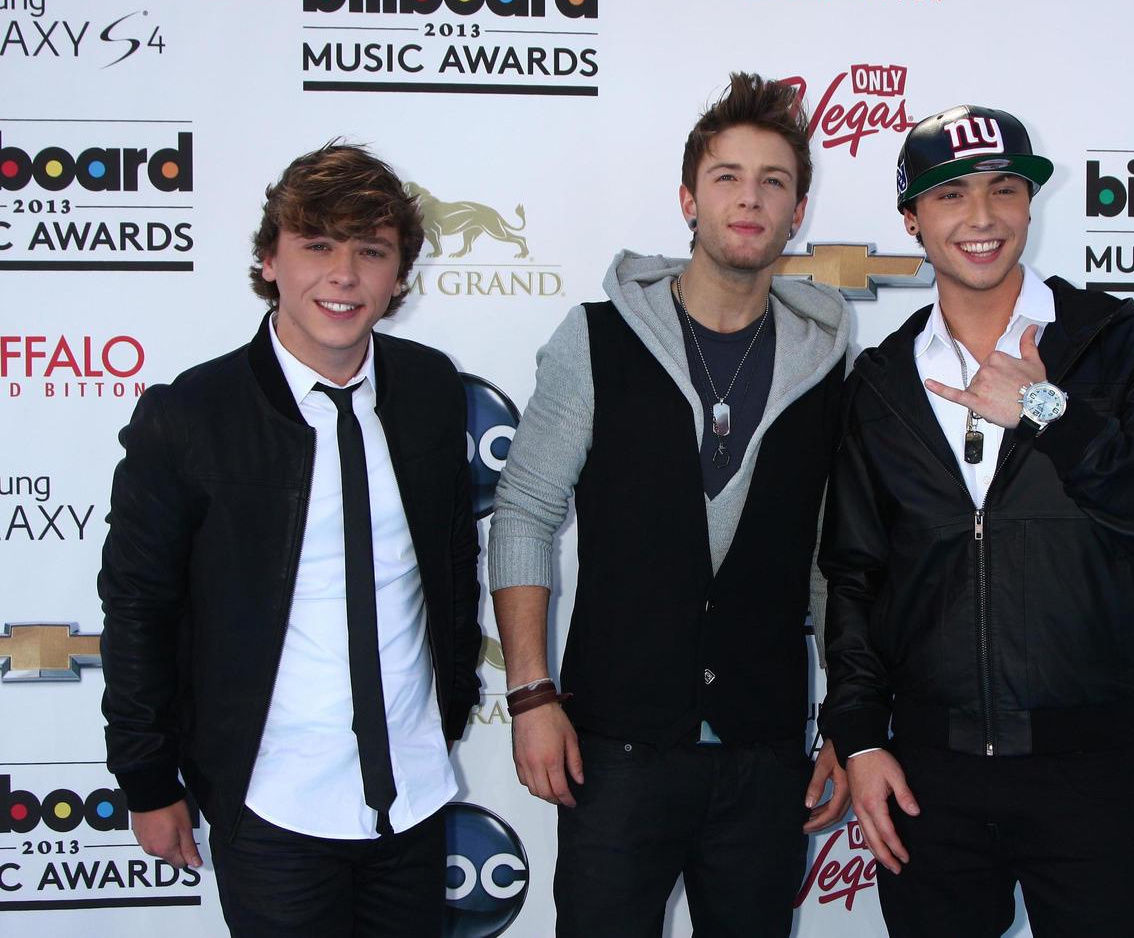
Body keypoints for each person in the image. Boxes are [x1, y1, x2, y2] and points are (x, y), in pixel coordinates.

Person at [819, 105, 1134, 937]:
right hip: (928, 774)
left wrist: (1047, 409)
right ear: (912, 220)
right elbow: (853, 574)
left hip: (1086, 770)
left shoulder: (1121, 344)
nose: (982, 217)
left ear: (1030, 207)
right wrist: (859, 738)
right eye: (951, 194)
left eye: (1005, 190)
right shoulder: (882, 383)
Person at [488, 72, 851, 937]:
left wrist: (849, 722)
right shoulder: (596, 339)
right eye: (727, 176)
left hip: (765, 758)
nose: (750, 198)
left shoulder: (827, 365)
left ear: (798, 212)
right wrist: (533, 695)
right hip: (614, 749)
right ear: (689, 198)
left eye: (775, 182)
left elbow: (831, 565)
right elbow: (525, 515)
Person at [98, 142, 483, 936]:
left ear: (399, 275)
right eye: (316, 246)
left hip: (410, 797)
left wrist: (449, 708)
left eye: (370, 251)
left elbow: (449, 561)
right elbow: (138, 605)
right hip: (273, 805)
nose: (343, 276)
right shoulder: (191, 417)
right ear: (269, 260)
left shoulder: (429, 390)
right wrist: (145, 778)